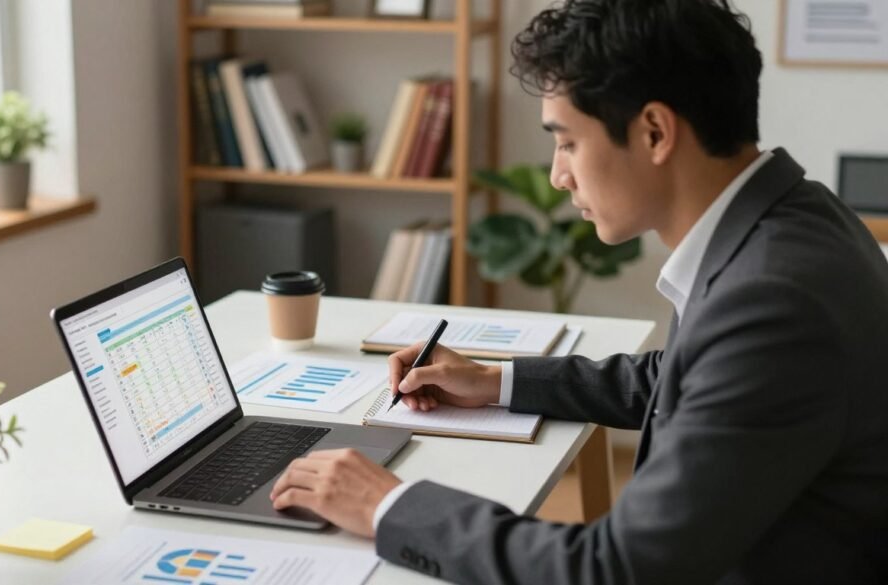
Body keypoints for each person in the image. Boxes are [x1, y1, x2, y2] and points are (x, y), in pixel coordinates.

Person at [269, 0, 888, 582]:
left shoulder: (775, 300)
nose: (558, 175)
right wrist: (495, 382)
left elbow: (613, 569)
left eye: (567, 141)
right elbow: (686, 378)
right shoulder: (794, 214)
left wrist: (387, 505)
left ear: (653, 132)